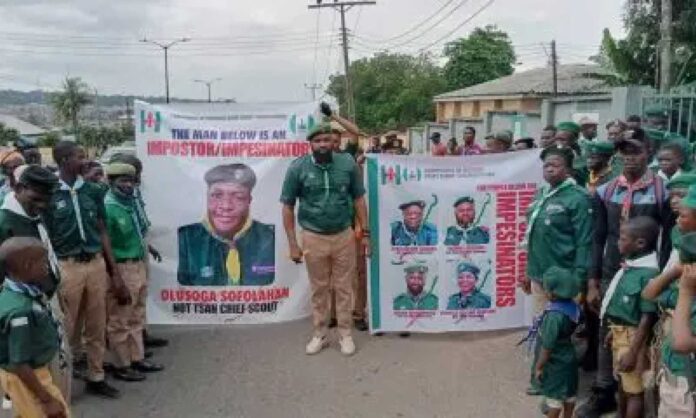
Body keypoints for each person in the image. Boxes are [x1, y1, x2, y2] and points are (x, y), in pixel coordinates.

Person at [579, 136, 672, 417]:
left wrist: (661, 279)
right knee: (608, 329)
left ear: (648, 153)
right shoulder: (606, 191)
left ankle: (644, 397)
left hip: (645, 273)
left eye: (635, 152)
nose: (629, 158)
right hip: (611, 272)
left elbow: (666, 240)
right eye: (624, 153)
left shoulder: (661, 191)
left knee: (643, 331)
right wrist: (593, 280)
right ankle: (604, 390)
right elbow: (597, 237)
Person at [43, 141, 126, 399]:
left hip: (95, 264)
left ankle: (96, 375)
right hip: (68, 266)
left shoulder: (93, 191)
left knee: (96, 323)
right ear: (65, 160)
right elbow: (44, 236)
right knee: (66, 329)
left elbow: (102, 230)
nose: (86, 161)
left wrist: (114, 269)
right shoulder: (50, 194)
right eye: (80, 157)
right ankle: (59, 386)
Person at [280, 117, 369, 357]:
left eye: (327, 139)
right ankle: (319, 334)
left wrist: (366, 232)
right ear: (310, 143)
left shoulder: (347, 163)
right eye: (317, 140)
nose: (322, 144)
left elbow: (359, 199)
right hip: (313, 236)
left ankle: (345, 334)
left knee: (344, 287)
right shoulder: (297, 168)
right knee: (319, 288)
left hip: (343, 235)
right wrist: (292, 244)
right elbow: (287, 207)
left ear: (333, 142)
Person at [103, 162, 164, 382]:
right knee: (120, 318)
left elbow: (136, 235)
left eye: (130, 180)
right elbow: (106, 245)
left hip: (137, 263)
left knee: (136, 313)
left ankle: (137, 358)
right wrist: (115, 277)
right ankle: (122, 364)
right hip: (122, 267)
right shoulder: (109, 207)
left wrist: (147, 248)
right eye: (122, 181)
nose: (128, 185)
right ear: (111, 182)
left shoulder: (129, 203)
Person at [642, 183, 696, 417]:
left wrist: (685, 290)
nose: (676, 221)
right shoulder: (685, 268)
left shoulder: (688, 286)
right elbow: (649, 293)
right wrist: (675, 271)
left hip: (687, 381)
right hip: (674, 368)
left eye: (682, 215)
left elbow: (682, 343)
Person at [0, 237, 69, 418]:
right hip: (33, 378)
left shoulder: (15, 292)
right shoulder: (20, 312)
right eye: (44, 262)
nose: (47, 266)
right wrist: (46, 400)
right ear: (27, 265)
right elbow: (20, 363)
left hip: (35, 372)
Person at [599, 216, 659, 418]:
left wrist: (634, 351)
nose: (618, 242)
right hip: (620, 333)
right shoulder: (630, 267)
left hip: (634, 338)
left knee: (634, 391)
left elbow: (646, 317)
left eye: (623, 238)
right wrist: (613, 332)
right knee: (623, 385)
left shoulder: (647, 273)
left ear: (640, 243)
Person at [522, 146, 592, 316]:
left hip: (564, 277)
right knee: (539, 326)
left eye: (556, 165)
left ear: (568, 169)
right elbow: (534, 236)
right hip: (538, 274)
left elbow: (584, 241)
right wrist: (528, 271)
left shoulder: (578, 197)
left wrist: (578, 279)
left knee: (557, 331)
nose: (550, 169)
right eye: (546, 165)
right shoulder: (540, 195)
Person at [178, 163, 275, 286]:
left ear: (249, 200)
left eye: (238, 197)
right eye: (217, 195)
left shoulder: (269, 238)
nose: (226, 206)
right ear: (206, 197)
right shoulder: (185, 239)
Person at [530, 266, 581, 418]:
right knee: (569, 395)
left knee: (554, 401)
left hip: (555, 362)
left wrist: (539, 367)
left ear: (552, 293)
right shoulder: (573, 307)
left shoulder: (554, 316)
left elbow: (547, 346)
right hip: (569, 357)